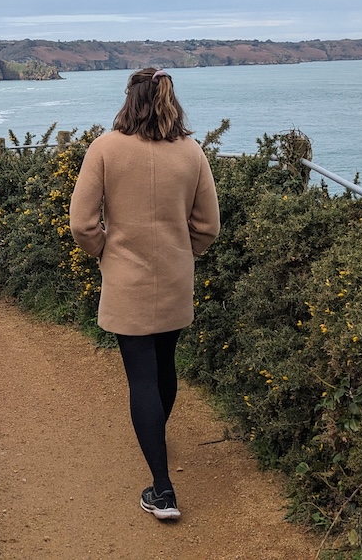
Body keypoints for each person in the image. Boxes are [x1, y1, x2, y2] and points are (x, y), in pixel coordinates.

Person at [69, 67, 221, 521]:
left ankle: (163, 489)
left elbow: (82, 224)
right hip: (174, 276)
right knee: (165, 366)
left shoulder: (104, 148)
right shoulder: (192, 152)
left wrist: (104, 252)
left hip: (126, 279)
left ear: (129, 99)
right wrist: (183, 252)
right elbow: (208, 226)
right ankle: (156, 437)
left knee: (141, 378)